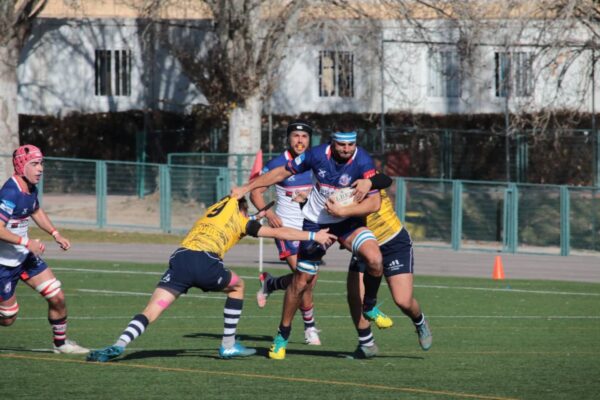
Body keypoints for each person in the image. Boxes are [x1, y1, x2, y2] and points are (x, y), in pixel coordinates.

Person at [86, 195, 336, 362]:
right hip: (204, 261)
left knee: (151, 309)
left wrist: (250, 217)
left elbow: (236, 217)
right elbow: (278, 231)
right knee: (238, 286)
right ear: (243, 208)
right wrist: (313, 237)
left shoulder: (219, 208)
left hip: (180, 259)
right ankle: (228, 344)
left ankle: (119, 344)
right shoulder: (243, 220)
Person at [232, 124, 393, 360]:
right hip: (316, 222)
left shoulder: (362, 159)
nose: (347, 149)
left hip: (347, 221)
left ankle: (369, 306)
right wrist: (248, 187)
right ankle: (281, 337)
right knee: (302, 281)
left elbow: (383, 182)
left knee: (375, 259)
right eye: (341, 144)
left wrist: (370, 182)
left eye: (351, 144)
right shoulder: (317, 155)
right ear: (332, 142)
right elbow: (280, 173)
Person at [326, 179, 433, 356]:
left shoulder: (368, 175)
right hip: (365, 245)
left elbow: (381, 186)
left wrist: (343, 210)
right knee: (355, 296)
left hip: (393, 242)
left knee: (403, 301)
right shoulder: (334, 180)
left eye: (351, 148)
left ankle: (420, 322)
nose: (346, 149)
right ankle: (366, 343)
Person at [0, 144, 89, 354]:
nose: (40, 169)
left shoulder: (30, 188)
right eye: (34, 164)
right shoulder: (10, 192)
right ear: (22, 166)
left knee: (57, 296)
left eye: (41, 163)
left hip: (25, 258)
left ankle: (61, 344)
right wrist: (26, 242)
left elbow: (36, 211)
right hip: (3, 264)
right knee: (8, 318)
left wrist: (55, 234)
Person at [250, 119, 322, 346]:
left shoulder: (315, 163)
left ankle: (270, 284)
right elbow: (256, 192)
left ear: (309, 141)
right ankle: (310, 329)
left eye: (304, 137)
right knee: (305, 278)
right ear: (289, 139)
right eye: (295, 136)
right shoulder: (278, 164)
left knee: (308, 280)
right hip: (285, 229)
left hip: (311, 228)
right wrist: (267, 213)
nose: (300, 141)